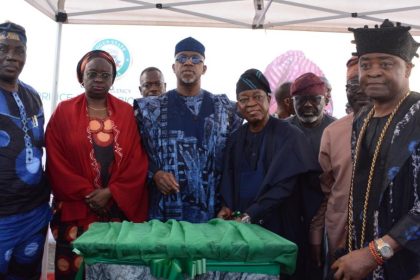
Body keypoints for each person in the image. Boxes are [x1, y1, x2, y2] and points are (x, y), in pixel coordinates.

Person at [46, 50, 149, 279]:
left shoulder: (126, 112)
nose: (99, 79)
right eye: (92, 74)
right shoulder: (63, 111)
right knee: (74, 270)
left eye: (105, 74)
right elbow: (55, 160)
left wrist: (112, 192)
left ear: (113, 80)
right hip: (77, 210)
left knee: (113, 271)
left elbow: (136, 159)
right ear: (82, 77)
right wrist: (90, 194)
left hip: (116, 210)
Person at [332, 19, 420, 280]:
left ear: (408, 69)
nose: (373, 72)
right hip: (365, 262)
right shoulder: (363, 119)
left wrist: (376, 252)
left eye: (385, 63)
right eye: (365, 64)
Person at [217, 69, 319, 280]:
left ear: (269, 99)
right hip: (241, 231)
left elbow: (285, 186)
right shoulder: (235, 139)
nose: (251, 103)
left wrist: (251, 214)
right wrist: (226, 207)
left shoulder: (290, 135)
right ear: (238, 106)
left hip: (280, 227)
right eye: (244, 99)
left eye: (257, 97)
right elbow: (227, 178)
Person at [134, 36, 242, 223]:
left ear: (204, 68)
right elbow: (135, 152)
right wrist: (156, 173)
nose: (189, 63)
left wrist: (229, 201)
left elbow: (234, 160)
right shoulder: (150, 110)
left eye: (196, 59)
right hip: (166, 208)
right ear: (174, 67)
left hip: (213, 211)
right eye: (182, 58)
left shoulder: (226, 108)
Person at [0, 21, 51, 280]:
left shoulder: (33, 96)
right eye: (3, 49)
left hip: (34, 214)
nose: (11, 56)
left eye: (19, 50)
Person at [311, 57, 370, 269]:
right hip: (340, 240)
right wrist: (317, 234)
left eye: (365, 80)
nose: (360, 88)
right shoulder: (333, 132)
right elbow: (326, 191)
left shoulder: (407, 129)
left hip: (388, 246)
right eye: (352, 83)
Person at [288, 72, 336, 279]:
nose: (308, 105)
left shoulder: (337, 130)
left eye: (314, 99)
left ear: (325, 100)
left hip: (327, 215)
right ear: (291, 102)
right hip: (289, 214)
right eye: (301, 100)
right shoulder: (282, 130)